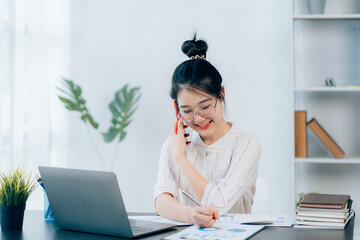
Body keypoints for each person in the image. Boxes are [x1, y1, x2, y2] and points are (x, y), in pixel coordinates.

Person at [154, 35, 261, 228]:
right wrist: (191, 215)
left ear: (221, 94)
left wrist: (181, 159)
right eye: (187, 111)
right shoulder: (175, 143)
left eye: (205, 107)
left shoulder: (247, 145)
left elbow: (219, 204)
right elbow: (161, 200)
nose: (198, 118)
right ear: (177, 109)